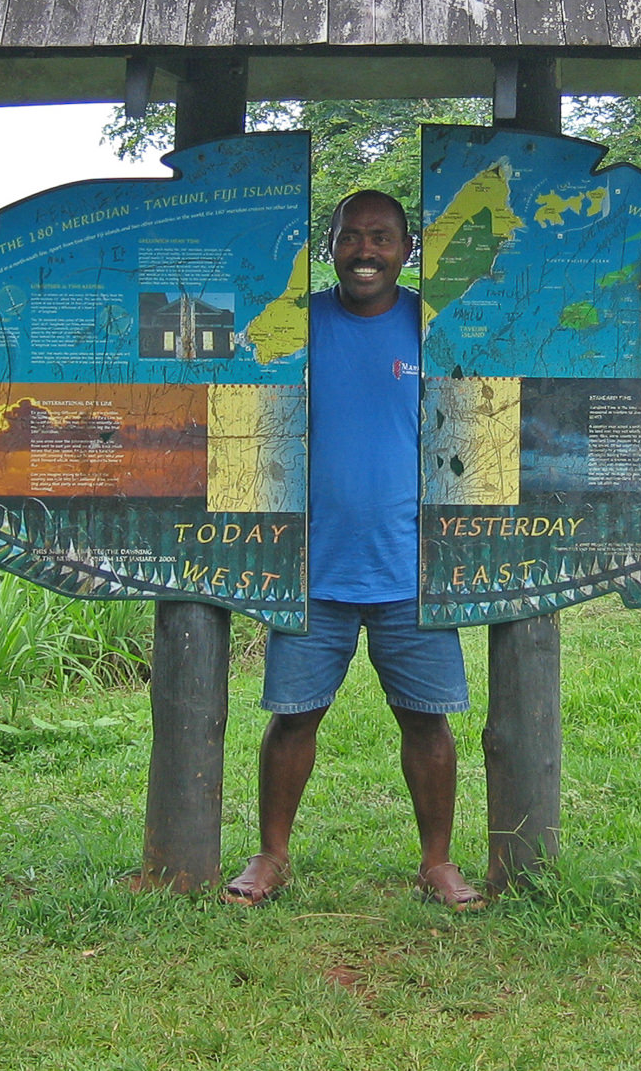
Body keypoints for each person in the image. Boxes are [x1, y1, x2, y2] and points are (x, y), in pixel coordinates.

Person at [221, 189, 484, 911]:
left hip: (411, 566)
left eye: (381, 237)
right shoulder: (296, 327)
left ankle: (437, 862)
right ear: (328, 245)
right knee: (295, 716)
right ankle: (271, 855)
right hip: (312, 565)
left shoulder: (439, 328)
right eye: (349, 237)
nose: (365, 251)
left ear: (407, 249)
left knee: (426, 719)